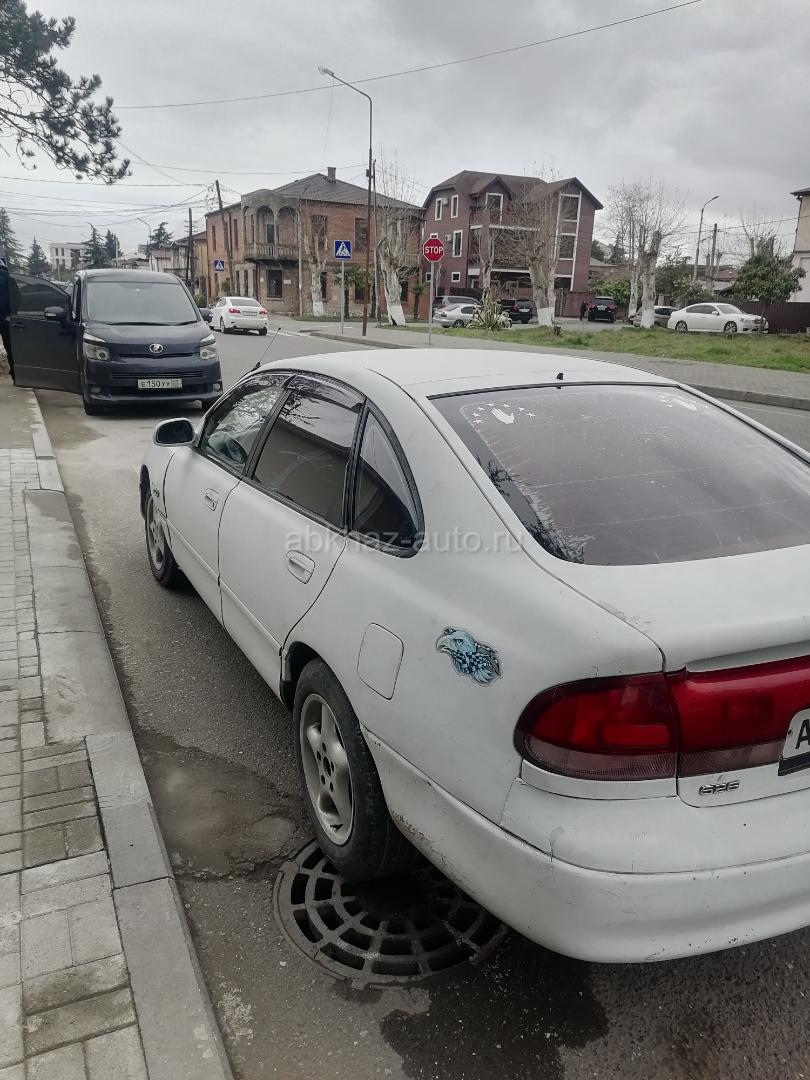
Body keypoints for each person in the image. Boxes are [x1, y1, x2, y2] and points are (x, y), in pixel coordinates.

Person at [0, 266, 14, 382]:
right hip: (5, 317)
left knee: (9, 346)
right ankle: (15, 374)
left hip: (5, 317)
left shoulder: (7, 277)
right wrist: (10, 314)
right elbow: (17, 297)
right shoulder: (8, 276)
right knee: (9, 346)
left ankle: (15, 373)